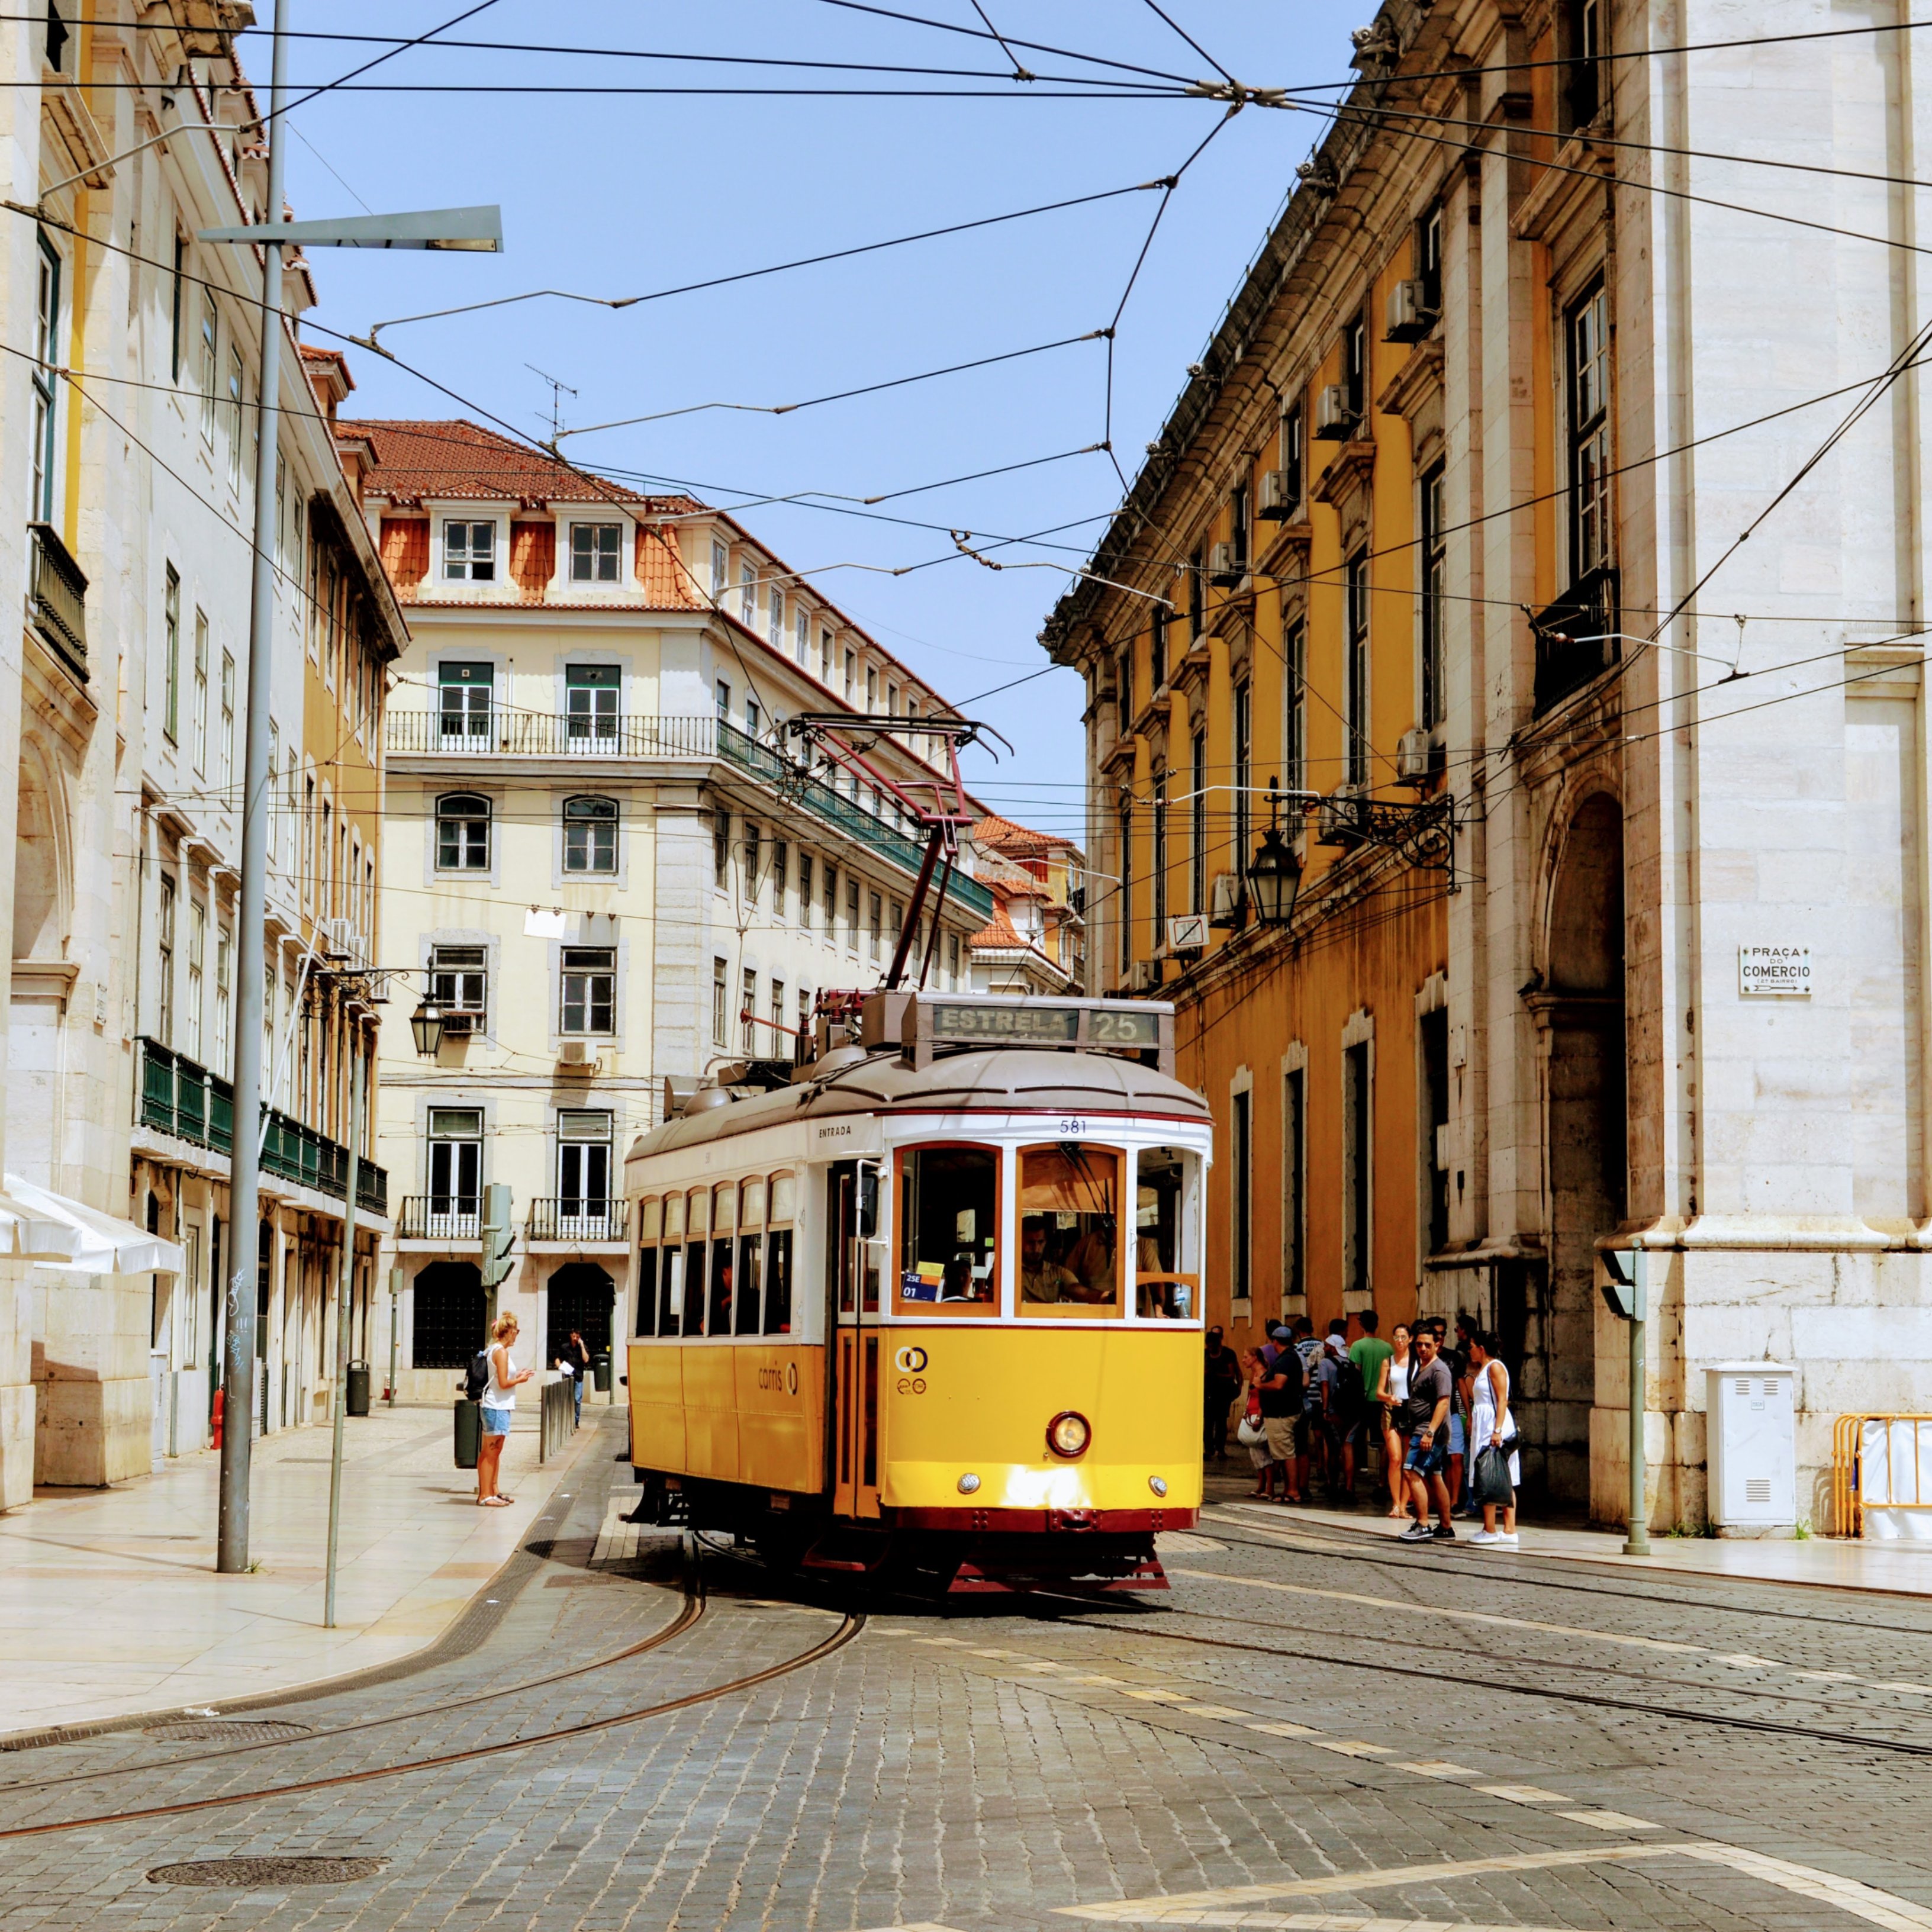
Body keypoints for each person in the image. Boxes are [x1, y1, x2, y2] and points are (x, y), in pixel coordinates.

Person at [1398, 1325, 1457, 1543]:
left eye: (1428, 1345)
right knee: (1435, 1477)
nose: (1423, 1348)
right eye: (1419, 1344)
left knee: (1411, 1473)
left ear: (1438, 1345)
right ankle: (1446, 1527)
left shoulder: (1439, 1370)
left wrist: (1430, 1433)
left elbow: (1444, 1402)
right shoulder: (1423, 1366)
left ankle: (1423, 1524)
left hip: (1428, 1432)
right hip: (1424, 1430)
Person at [1467, 1329, 1521, 1547]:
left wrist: (1497, 1430)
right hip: (1485, 1424)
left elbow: (1502, 1400)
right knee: (1493, 1476)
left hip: (1494, 1425)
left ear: (1481, 1349)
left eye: (1471, 1347)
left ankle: (1498, 1529)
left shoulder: (1495, 1367)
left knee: (1493, 1475)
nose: (1469, 1351)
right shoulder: (1482, 1369)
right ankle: (1497, 1528)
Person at [478, 1312, 535, 1507]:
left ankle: (493, 1491)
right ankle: (485, 1495)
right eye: (516, 1331)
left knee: (493, 1451)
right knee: (491, 1452)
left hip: (498, 1406)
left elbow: (499, 1378)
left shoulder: (496, 1350)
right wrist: (521, 1379)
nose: (517, 1335)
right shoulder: (500, 1352)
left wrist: (517, 1375)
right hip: (496, 1406)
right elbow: (503, 1383)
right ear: (508, 1331)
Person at [1256, 1328, 1304, 1503]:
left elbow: (1278, 1384)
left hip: (1282, 1414)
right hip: (1283, 1412)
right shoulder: (1289, 1357)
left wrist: (1260, 1385)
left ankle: (1293, 1491)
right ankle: (1289, 1490)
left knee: (1286, 1453)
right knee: (1284, 1453)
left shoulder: (1286, 1360)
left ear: (1275, 1341)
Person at [1349, 1309, 1393, 1486]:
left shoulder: (1357, 1346)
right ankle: (1382, 1483)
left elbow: (1356, 1374)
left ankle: (1351, 1484)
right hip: (1382, 1401)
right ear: (1377, 1324)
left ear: (1361, 1324)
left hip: (1363, 1400)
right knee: (1383, 1444)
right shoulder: (1388, 1347)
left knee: (1351, 1442)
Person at [1377, 1321, 1413, 1518]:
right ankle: (1396, 1504)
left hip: (1411, 1411)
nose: (1399, 1341)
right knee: (1396, 1458)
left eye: (1403, 1337)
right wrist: (1388, 1398)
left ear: (1410, 1340)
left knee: (1408, 1461)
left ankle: (1405, 1506)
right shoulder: (1388, 1362)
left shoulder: (1416, 1362)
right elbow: (1379, 1392)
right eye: (1396, 1337)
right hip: (1392, 1410)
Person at [1020, 1218, 1082, 1303]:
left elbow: (1077, 1290)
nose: (1036, 1249)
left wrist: (1101, 1297)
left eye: (1041, 1242)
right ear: (1020, 1241)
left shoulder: (1058, 1273)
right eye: (1031, 1242)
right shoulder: (1009, 1273)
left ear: (1046, 1242)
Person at [1203, 1325, 1242, 1458]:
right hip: (1208, 1393)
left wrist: (1238, 1386)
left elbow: (1233, 1374)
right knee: (1208, 1422)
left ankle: (1220, 1449)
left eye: (1212, 1346)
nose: (1210, 1349)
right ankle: (1209, 1449)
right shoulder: (1204, 1354)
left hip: (1223, 1393)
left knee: (1221, 1422)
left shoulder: (1228, 1354)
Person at [557, 1328, 591, 1428]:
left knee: (577, 1400)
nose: (575, 1338)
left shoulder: (583, 1347)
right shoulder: (565, 1347)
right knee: (567, 1399)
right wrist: (560, 1366)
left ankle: (576, 1421)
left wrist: (582, 1346)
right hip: (567, 1376)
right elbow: (558, 1358)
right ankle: (567, 1419)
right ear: (571, 1335)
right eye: (574, 1336)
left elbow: (586, 1360)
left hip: (578, 1377)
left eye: (577, 1337)